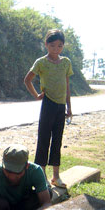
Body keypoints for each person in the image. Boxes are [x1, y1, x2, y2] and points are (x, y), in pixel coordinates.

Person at [24, 29, 73, 188]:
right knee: (44, 140)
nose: (56, 49)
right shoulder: (41, 62)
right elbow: (28, 80)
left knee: (57, 141)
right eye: (52, 46)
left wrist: (69, 107)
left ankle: (56, 176)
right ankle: (42, 175)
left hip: (61, 106)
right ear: (46, 45)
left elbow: (66, 85)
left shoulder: (66, 62)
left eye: (59, 46)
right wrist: (36, 95)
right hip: (48, 104)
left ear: (63, 46)